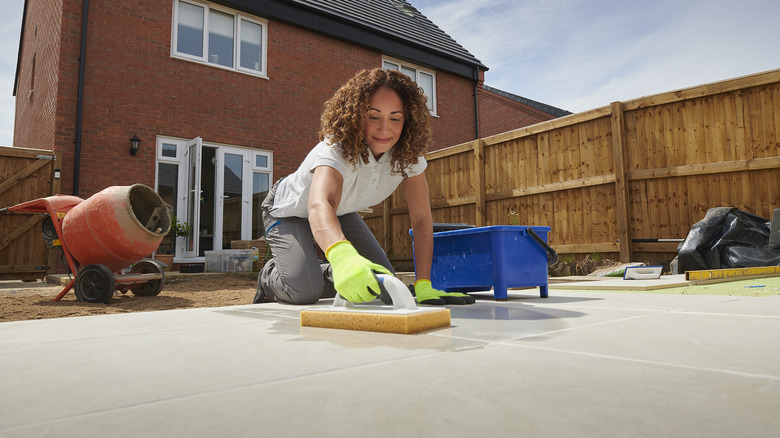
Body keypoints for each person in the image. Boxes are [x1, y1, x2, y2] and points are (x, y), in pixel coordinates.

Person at [255, 68, 475, 306]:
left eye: (395, 118)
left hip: (340, 211)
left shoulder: (408, 156)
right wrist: (342, 256)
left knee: (383, 284)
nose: (384, 129)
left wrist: (423, 283)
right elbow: (320, 204)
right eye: (373, 116)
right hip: (288, 210)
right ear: (357, 115)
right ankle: (271, 275)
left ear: (407, 120)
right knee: (304, 291)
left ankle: (314, 270)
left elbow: (421, 219)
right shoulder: (336, 149)